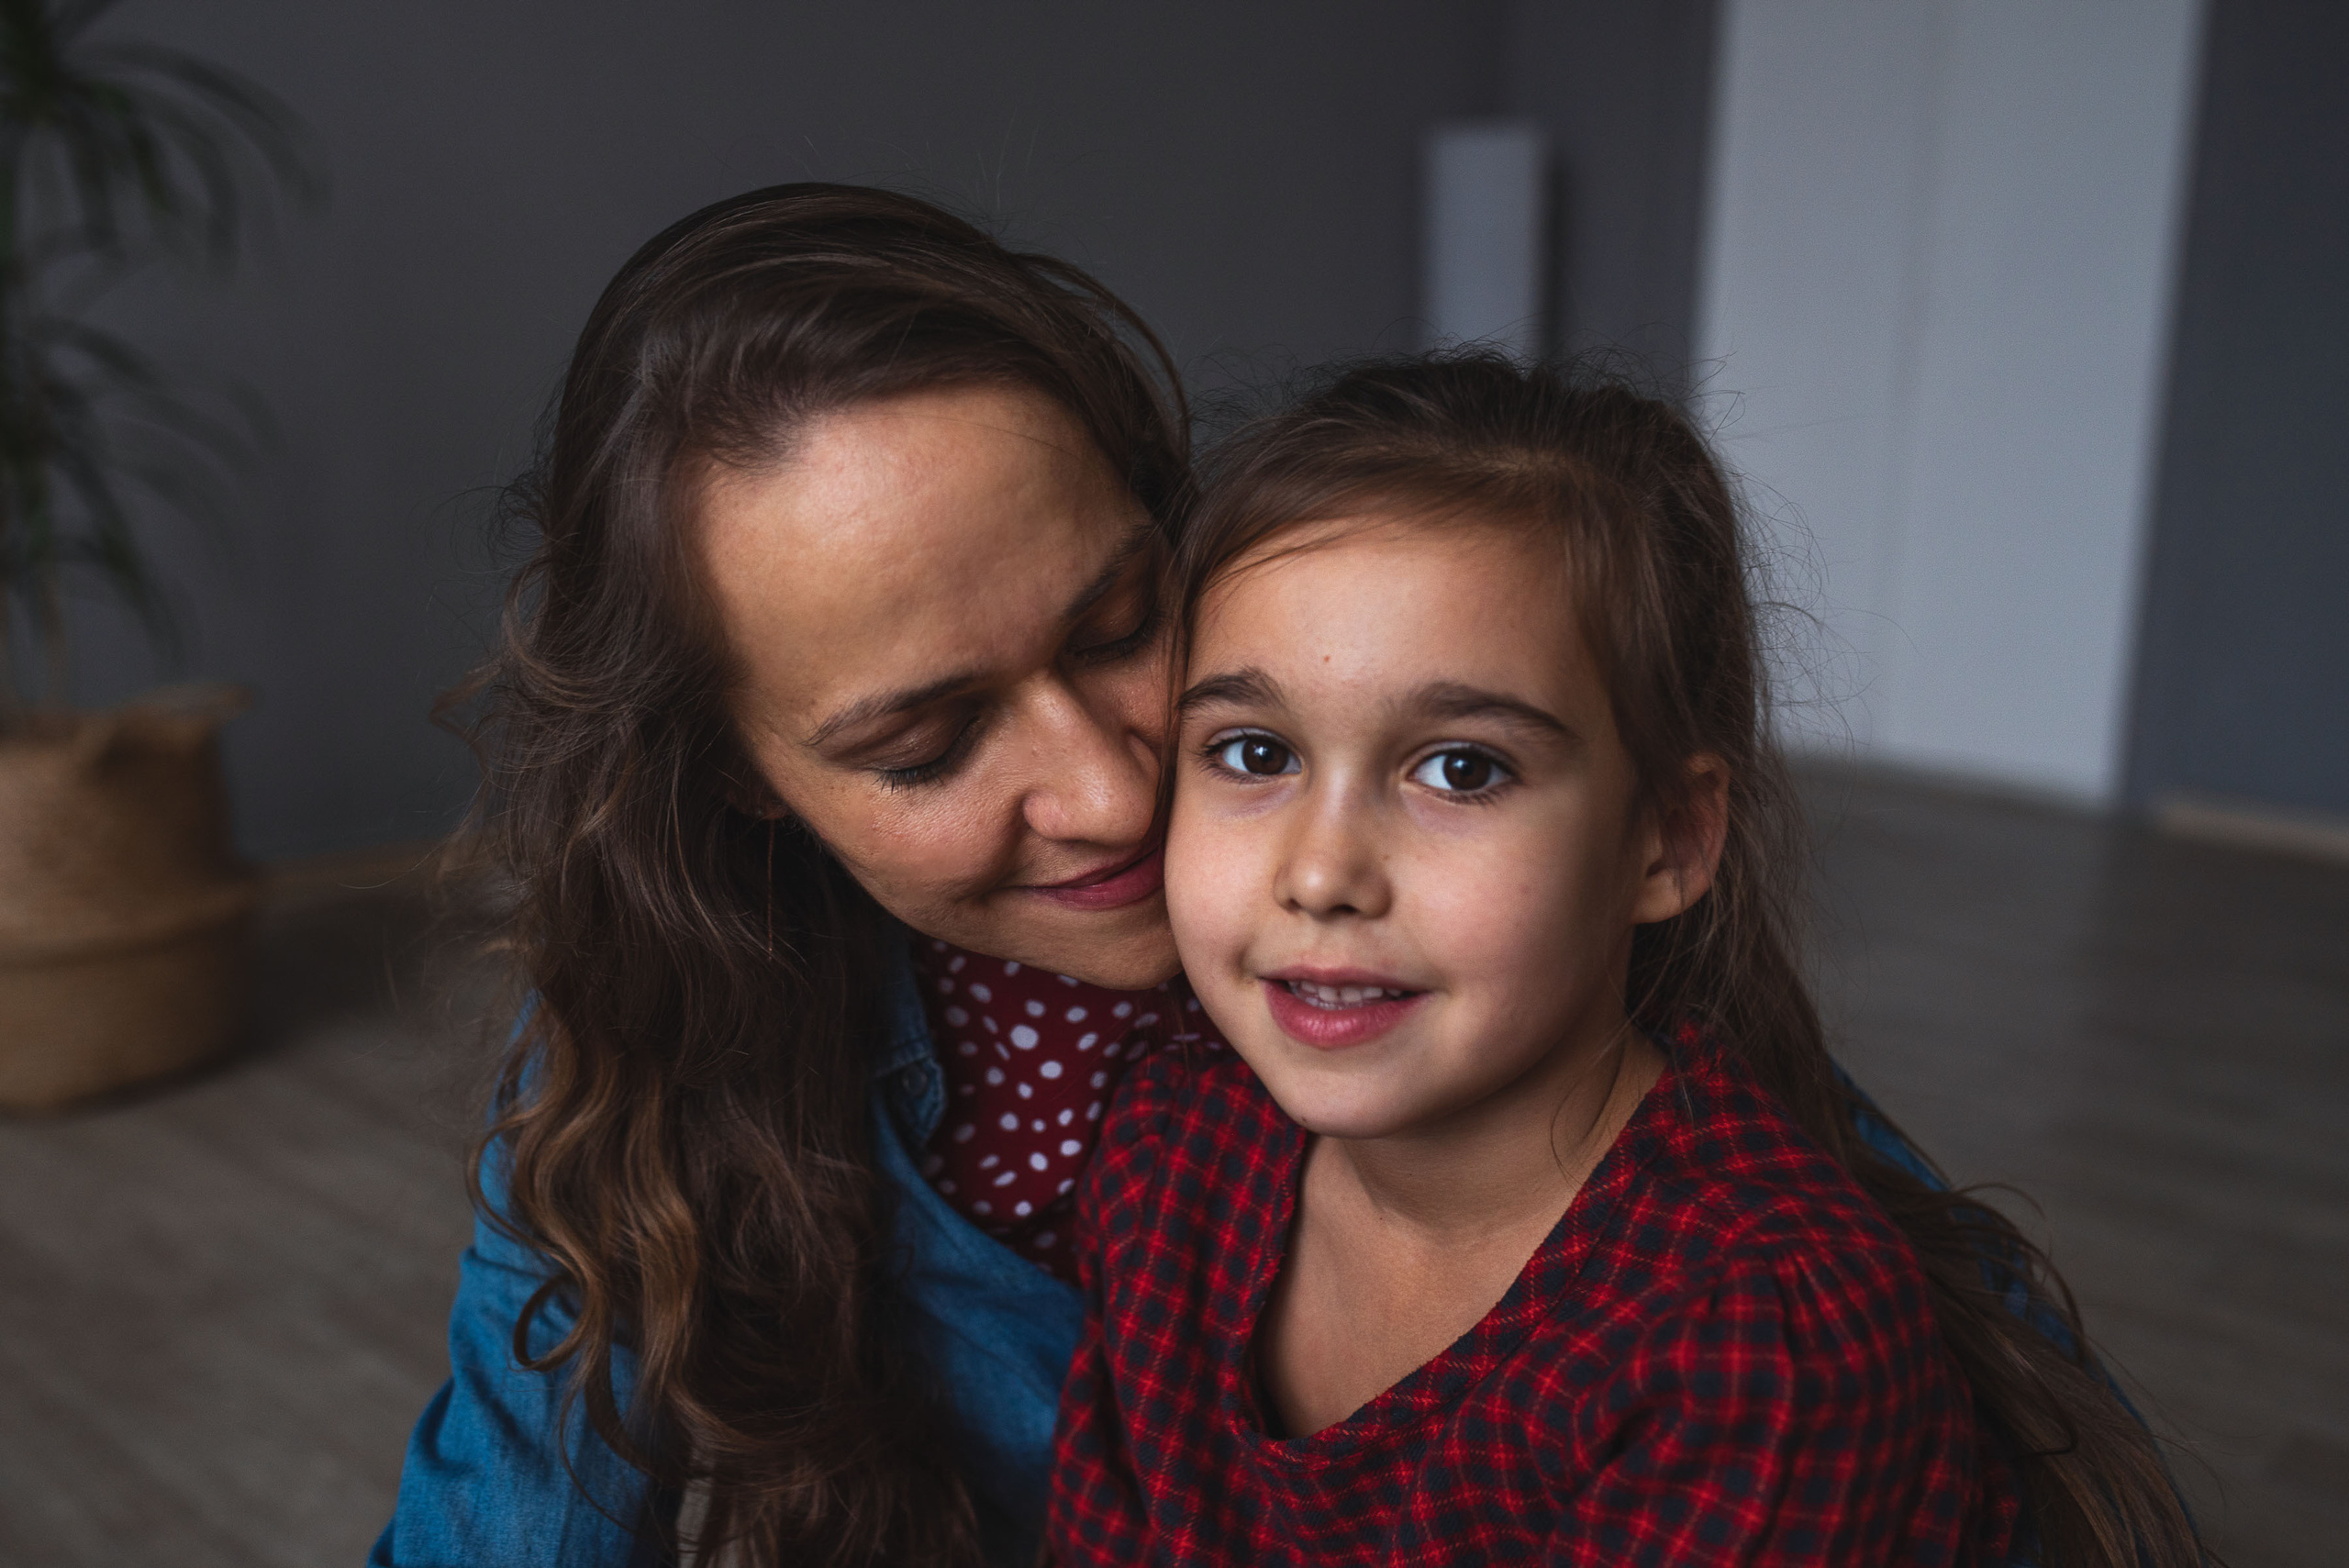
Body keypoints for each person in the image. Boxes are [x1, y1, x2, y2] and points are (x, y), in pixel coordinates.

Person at [1048, 353, 2207, 1565]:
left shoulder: (1754, 1330)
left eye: (1461, 767)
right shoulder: (1170, 1140)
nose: (1322, 870)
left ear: (1668, 839)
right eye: (1251, 751)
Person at [370, 183, 1200, 1568]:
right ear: (741, 777)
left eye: (1124, 624)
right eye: (925, 745)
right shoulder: (663, 1032)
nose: (1115, 793)